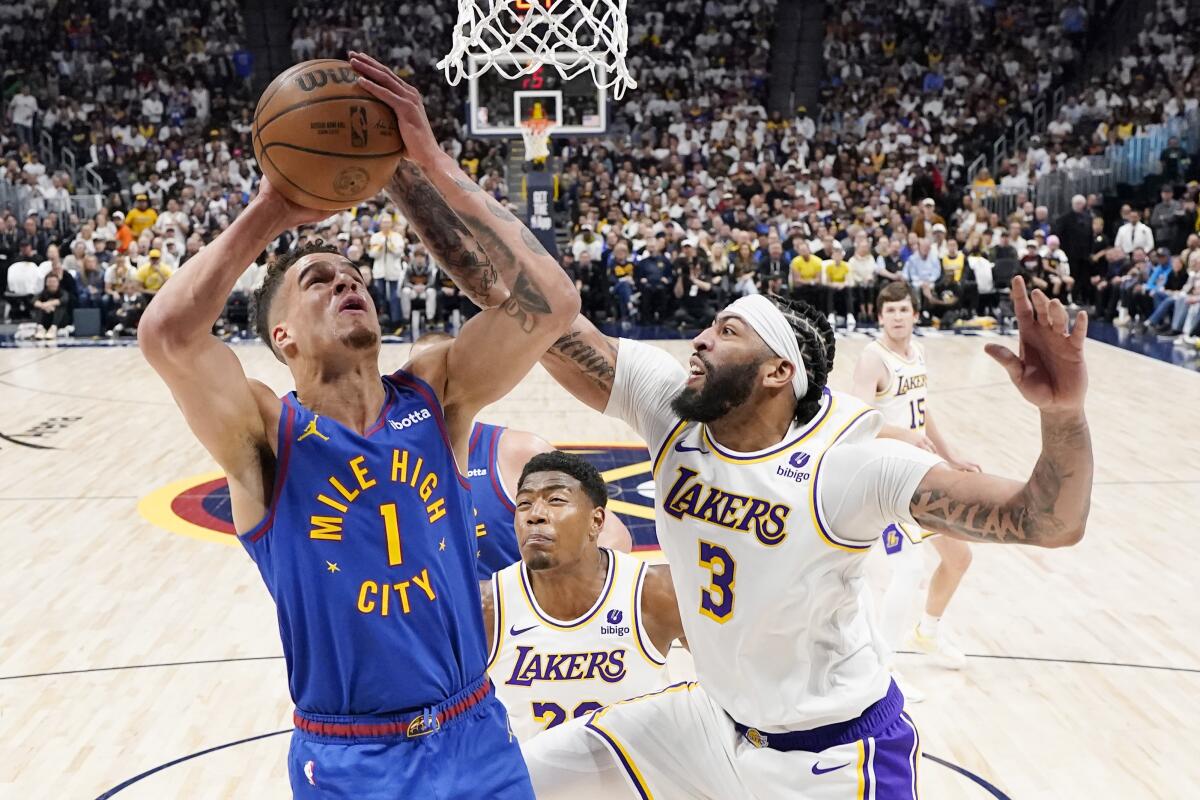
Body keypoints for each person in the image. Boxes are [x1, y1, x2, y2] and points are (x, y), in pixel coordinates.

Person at [138, 52, 581, 798]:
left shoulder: (436, 392)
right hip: (353, 761)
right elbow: (169, 337)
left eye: (352, 275)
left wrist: (435, 163)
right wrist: (276, 207)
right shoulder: (266, 435)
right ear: (282, 338)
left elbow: (553, 303)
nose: (347, 281)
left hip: (477, 732)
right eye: (318, 280)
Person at [509, 273, 1091, 798]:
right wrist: (429, 174)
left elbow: (1047, 522)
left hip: (833, 756)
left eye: (727, 330)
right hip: (713, 726)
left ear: (778, 370)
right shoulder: (673, 416)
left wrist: (1063, 413)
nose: (700, 340)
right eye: (710, 326)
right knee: (509, 776)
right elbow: (547, 320)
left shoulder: (851, 466)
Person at [486, 452, 680, 740]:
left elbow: (733, 683)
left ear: (596, 521)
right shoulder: (488, 607)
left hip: (638, 780)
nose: (534, 515)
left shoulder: (655, 592)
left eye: (555, 500)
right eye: (524, 504)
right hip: (535, 782)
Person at [411, 331, 632, 578]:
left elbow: (614, 536)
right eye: (417, 378)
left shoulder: (516, 452)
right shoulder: (388, 460)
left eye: (441, 375)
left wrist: (545, 598)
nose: (429, 388)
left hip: (507, 615)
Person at [851, 283, 981, 700]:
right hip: (888, 478)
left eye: (904, 309)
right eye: (890, 310)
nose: (897, 317)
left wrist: (952, 454)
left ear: (915, 313)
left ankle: (929, 630)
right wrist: (902, 434)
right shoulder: (873, 358)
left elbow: (924, 411)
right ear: (880, 315)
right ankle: (883, 668)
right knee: (908, 570)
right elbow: (858, 419)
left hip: (923, 473)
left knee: (959, 557)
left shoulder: (918, 353)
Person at [33, 273, 71, 340]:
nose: (52, 284)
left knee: (60, 307)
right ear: (46, 283)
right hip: (46, 319)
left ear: (58, 283)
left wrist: (49, 304)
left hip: (60, 320)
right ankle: (40, 328)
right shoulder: (43, 293)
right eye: (49, 282)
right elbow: (34, 301)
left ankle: (53, 328)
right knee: (39, 307)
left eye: (54, 282)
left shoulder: (63, 292)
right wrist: (44, 306)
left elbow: (64, 300)